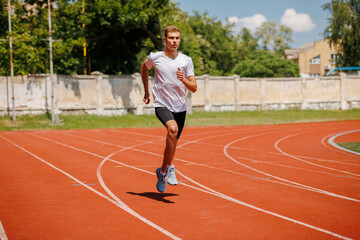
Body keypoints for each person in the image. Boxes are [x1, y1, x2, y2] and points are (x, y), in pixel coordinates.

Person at [141, 25, 197, 193]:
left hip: (180, 106)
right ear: (165, 40)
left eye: (177, 38)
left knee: (172, 143)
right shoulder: (155, 57)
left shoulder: (186, 60)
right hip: (161, 103)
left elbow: (193, 87)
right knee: (172, 129)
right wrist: (146, 91)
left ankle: (162, 171)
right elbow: (144, 68)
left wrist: (183, 80)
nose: (174, 41)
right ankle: (171, 167)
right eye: (171, 38)